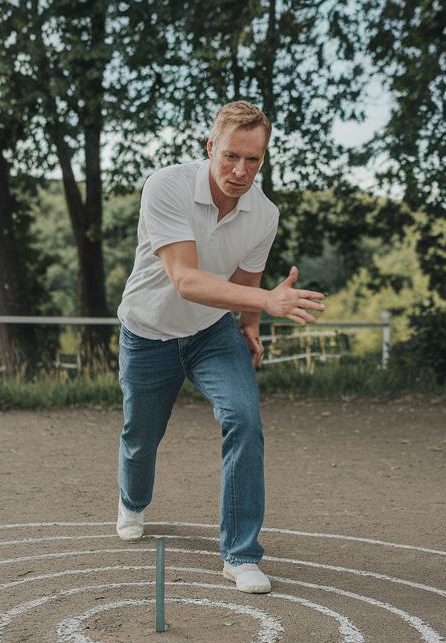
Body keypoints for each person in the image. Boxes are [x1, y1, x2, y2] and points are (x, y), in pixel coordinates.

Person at [114, 100, 326, 594]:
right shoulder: (165, 187)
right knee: (140, 437)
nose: (240, 170)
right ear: (210, 147)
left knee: (245, 419)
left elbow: (246, 279)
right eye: (231, 155)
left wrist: (251, 324)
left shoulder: (264, 214)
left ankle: (240, 554)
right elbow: (187, 280)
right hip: (148, 333)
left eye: (253, 160)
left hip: (212, 333)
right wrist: (267, 300)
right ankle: (132, 499)